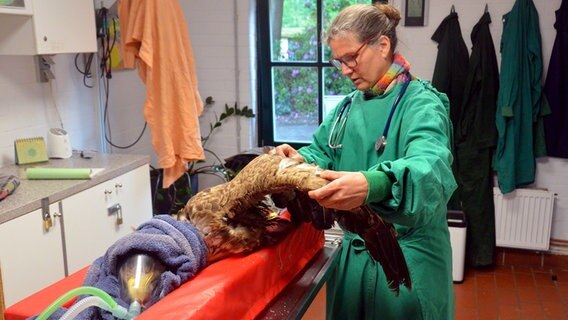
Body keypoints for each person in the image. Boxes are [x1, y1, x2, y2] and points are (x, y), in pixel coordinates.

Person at [270, 3, 457, 320]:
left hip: (407, 261)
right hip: (355, 260)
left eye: (351, 58)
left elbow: (431, 169)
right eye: (337, 61)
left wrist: (376, 184)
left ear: (382, 45)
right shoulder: (345, 109)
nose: (344, 70)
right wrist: (297, 161)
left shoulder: (422, 103)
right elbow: (322, 153)